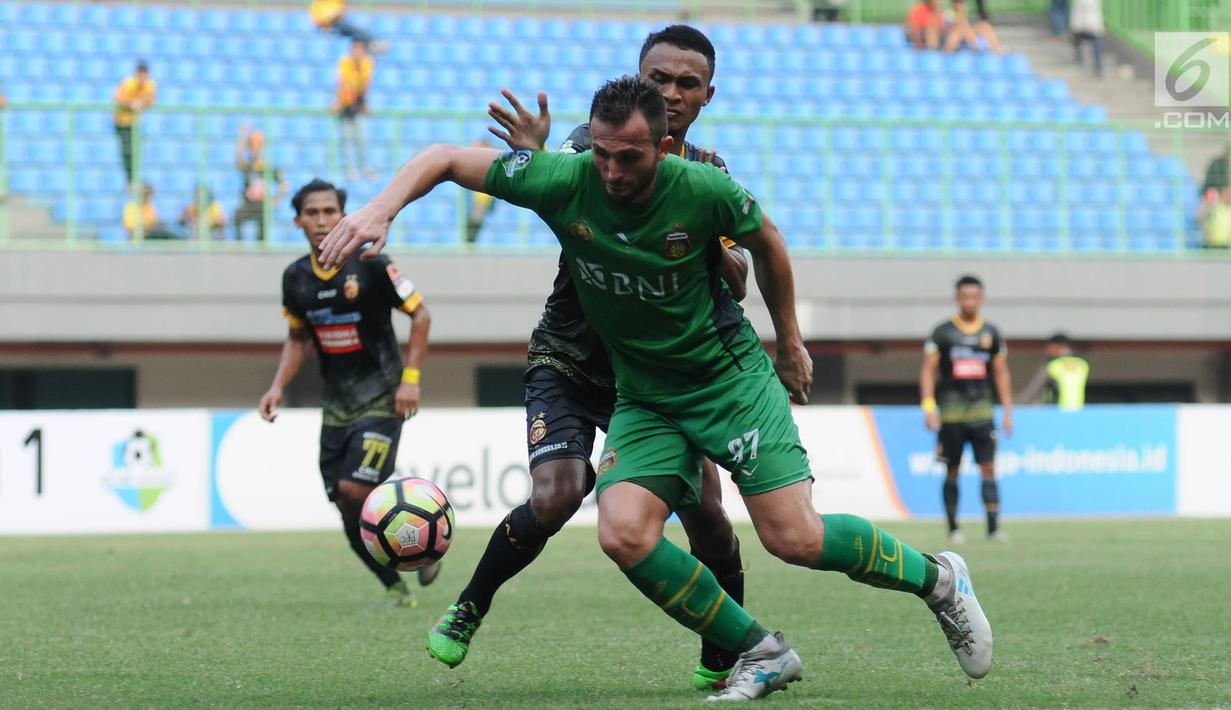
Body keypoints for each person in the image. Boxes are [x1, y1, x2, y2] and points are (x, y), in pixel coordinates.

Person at [318, 76, 994, 702]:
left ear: (664, 148)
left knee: (794, 539)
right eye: (603, 155)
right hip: (643, 395)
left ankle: (939, 579)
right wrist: (379, 209)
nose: (612, 172)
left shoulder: (703, 188)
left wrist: (790, 343)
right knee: (622, 533)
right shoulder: (564, 178)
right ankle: (760, 650)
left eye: (629, 158)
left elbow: (768, 244)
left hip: (726, 381)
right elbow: (442, 157)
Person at [431, 27, 753, 692]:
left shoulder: (709, 175)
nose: (672, 93)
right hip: (572, 358)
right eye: (659, 79)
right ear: (638, 80)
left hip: (659, 378)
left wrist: (702, 242)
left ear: (706, 96)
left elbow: (741, 277)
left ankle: (727, 650)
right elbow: (551, 178)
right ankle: (470, 605)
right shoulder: (594, 147)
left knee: (709, 519)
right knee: (556, 496)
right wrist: (533, 156)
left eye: (686, 83)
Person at [258, 179, 439, 607]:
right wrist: (277, 387)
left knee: (355, 490)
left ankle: (426, 532)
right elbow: (297, 338)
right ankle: (396, 587)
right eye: (312, 213)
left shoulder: (372, 262)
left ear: (344, 216)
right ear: (298, 221)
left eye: (330, 211)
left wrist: (411, 378)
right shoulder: (295, 278)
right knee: (344, 502)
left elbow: (421, 315)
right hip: (336, 405)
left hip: (383, 396)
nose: (322, 220)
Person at [919, 275, 1014, 543]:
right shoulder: (943, 332)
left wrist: (1007, 410)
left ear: (981, 299)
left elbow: (1001, 373)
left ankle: (993, 529)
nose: (969, 301)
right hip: (952, 415)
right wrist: (929, 407)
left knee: (988, 468)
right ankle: (953, 528)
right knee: (952, 470)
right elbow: (928, 370)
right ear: (957, 298)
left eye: (974, 297)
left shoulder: (991, 332)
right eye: (965, 297)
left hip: (983, 413)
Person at [234, 125, 288, 241]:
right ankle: (240, 244)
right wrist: (242, 136)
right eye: (252, 146)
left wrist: (275, 201)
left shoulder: (268, 168)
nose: (255, 149)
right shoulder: (248, 167)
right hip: (249, 205)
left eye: (258, 146)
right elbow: (239, 157)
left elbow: (284, 185)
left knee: (263, 229)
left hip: (263, 206)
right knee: (237, 216)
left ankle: (262, 244)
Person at [335, 40, 375, 180]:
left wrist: (364, 102)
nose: (357, 53)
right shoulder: (345, 62)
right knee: (347, 139)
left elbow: (366, 84)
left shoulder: (367, 63)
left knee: (362, 138)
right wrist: (338, 101)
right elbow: (342, 83)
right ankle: (349, 169)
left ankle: (364, 168)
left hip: (358, 103)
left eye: (360, 50)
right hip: (346, 103)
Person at [113, 60, 156, 186]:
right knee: (127, 150)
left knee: (136, 150)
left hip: (134, 122)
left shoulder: (150, 85)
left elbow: (151, 99)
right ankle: (130, 180)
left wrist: (141, 103)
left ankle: (134, 180)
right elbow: (118, 98)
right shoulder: (128, 83)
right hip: (122, 121)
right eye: (141, 74)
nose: (143, 77)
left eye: (145, 74)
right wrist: (131, 103)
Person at [1019, 333, 1089, 410]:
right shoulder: (1082, 364)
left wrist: (1020, 403)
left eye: (1049, 347)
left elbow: (1033, 388)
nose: (1046, 350)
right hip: (1079, 410)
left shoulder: (1051, 365)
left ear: (1058, 346)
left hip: (1055, 411)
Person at [308, 0, 387, 53]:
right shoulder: (317, 4)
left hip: (338, 25)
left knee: (354, 32)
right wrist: (329, 18)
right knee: (351, 30)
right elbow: (316, 21)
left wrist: (331, 16)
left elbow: (340, 14)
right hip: (327, 28)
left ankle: (369, 45)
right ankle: (371, 42)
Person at [1070, 0, 1105, 77]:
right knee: (1096, 47)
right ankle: (1099, 67)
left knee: (1078, 42)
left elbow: (1077, 13)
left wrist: (1074, 28)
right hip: (1094, 26)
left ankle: (1079, 59)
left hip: (1083, 26)